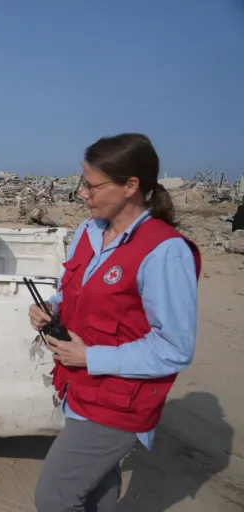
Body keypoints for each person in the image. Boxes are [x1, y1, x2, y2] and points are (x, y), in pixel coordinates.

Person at [31, 133, 201, 511]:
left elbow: (175, 348)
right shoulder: (89, 232)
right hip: (80, 389)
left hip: (119, 403)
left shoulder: (165, 251)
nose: (82, 194)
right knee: (97, 491)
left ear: (130, 186)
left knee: (54, 496)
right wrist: (51, 307)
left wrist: (90, 357)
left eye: (91, 186)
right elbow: (71, 293)